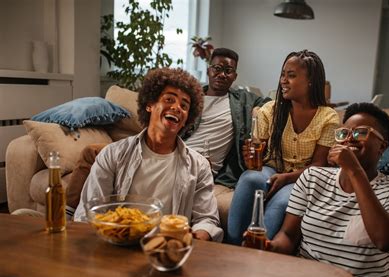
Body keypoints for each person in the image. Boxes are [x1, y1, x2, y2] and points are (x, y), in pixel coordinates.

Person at [66, 47, 270, 211]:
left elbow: (272, 103)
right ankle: (68, 211)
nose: (222, 74)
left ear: (235, 76)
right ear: (208, 70)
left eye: (228, 70)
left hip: (200, 162)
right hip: (171, 147)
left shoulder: (241, 101)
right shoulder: (189, 94)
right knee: (91, 151)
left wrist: (258, 111)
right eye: (217, 68)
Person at [269, 103, 389, 277]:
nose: (349, 139)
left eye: (360, 132)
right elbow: (289, 235)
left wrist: (354, 170)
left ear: (382, 146)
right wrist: (270, 248)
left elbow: (385, 240)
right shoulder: (313, 178)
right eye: (344, 133)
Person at [74, 67, 223, 242]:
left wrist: (197, 236)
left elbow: (207, 219)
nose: (177, 107)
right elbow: (89, 211)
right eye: (169, 99)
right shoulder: (112, 155)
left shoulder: (199, 166)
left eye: (184, 105)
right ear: (150, 105)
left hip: (166, 250)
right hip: (118, 245)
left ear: (186, 119)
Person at [227, 50, 340, 244]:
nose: (283, 81)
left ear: (311, 80)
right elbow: (257, 160)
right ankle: (232, 244)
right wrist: (250, 158)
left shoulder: (328, 117)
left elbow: (319, 165)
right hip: (271, 168)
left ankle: (257, 251)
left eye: (291, 75)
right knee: (251, 179)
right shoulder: (270, 110)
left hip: (303, 177)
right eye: (283, 74)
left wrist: (286, 178)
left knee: (283, 202)